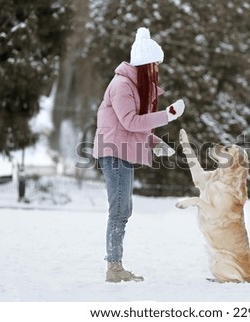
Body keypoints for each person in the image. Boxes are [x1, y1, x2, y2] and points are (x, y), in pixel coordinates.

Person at [92, 27, 185, 282]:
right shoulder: (121, 85)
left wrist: (155, 143)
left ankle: (115, 266)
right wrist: (168, 115)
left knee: (124, 209)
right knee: (119, 210)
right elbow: (130, 122)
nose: (157, 70)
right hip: (114, 153)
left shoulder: (132, 86)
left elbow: (131, 126)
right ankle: (114, 268)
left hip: (123, 152)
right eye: (155, 64)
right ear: (145, 64)